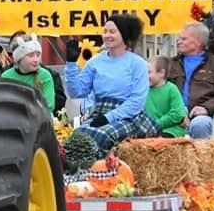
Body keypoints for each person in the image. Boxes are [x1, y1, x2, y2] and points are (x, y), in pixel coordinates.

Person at [64, 14, 156, 154]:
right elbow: (76, 92)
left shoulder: (138, 64)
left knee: (102, 136)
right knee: (76, 138)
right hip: (98, 112)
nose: (107, 35)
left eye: (112, 32)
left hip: (128, 117)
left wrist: (108, 117)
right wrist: (71, 64)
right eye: (105, 31)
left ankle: (104, 173)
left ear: (124, 35)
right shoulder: (95, 62)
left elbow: (136, 101)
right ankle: (81, 174)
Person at [167, 22, 214, 139]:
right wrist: (177, 112)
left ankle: (200, 157)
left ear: (198, 42)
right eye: (179, 38)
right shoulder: (170, 64)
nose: (178, 41)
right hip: (172, 114)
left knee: (200, 125)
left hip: (202, 116)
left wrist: (206, 108)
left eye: (183, 39)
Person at [6, 30, 66, 112]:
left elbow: (49, 105)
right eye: (31, 56)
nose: (36, 59)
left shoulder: (45, 75)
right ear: (19, 58)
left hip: (41, 120)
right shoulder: (6, 76)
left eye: (38, 55)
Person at [146, 56, 188, 137]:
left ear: (161, 73)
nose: (145, 75)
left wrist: (156, 124)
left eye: (149, 72)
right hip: (148, 129)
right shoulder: (144, 90)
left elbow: (177, 114)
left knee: (160, 141)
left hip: (171, 130)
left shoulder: (172, 89)